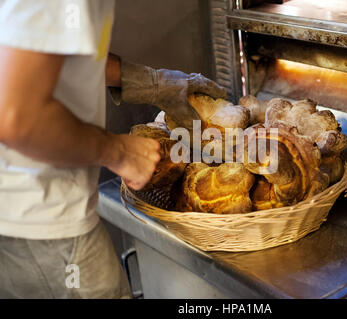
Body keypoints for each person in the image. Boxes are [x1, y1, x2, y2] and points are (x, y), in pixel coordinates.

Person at [0, 0, 225, 298]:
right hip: (40, 223)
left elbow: (47, 48)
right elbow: (18, 118)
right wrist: (121, 152)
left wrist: (154, 84)